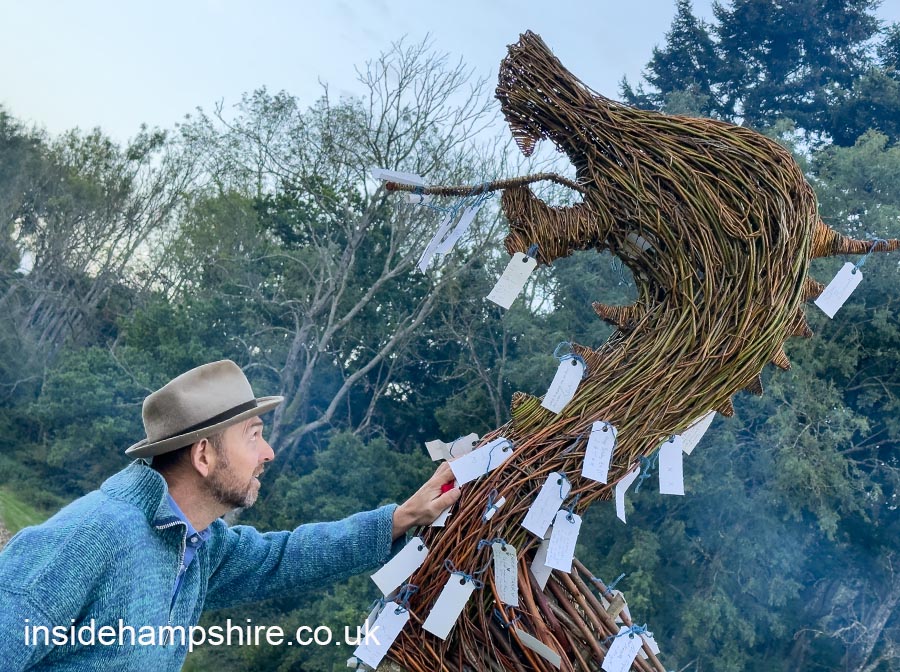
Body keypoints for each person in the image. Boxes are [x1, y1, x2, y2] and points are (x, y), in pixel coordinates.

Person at [0, 360, 460, 671]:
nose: (268, 452)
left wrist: (400, 519)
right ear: (204, 455)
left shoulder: (197, 545)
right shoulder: (89, 539)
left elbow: (288, 557)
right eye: (253, 435)